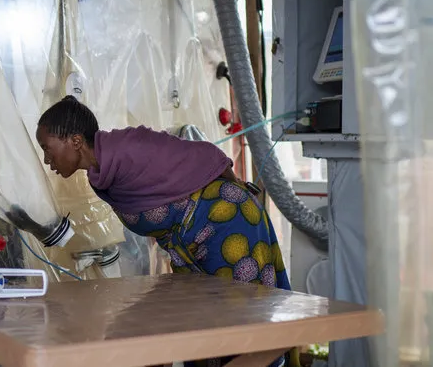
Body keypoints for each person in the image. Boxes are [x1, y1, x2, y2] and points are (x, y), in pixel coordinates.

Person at [34, 95, 299, 367]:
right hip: (190, 246)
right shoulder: (100, 176)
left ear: (75, 141)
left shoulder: (129, 147)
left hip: (227, 222)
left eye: (47, 148)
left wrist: (239, 187)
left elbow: (206, 154)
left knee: (240, 324)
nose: (46, 159)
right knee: (197, 329)